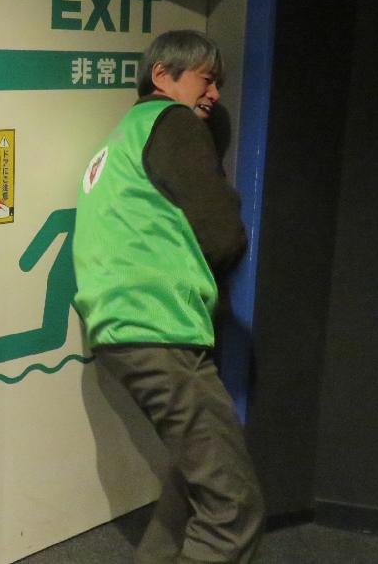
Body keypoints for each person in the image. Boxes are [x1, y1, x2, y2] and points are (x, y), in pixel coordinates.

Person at [72, 29, 264, 563]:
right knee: (232, 507)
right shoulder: (172, 122)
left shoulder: (117, 141)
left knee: (190, 484)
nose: (215, 94)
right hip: (160, 327)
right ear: (162, 74)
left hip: (122, 330)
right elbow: (221, 232)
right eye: (207, 79)